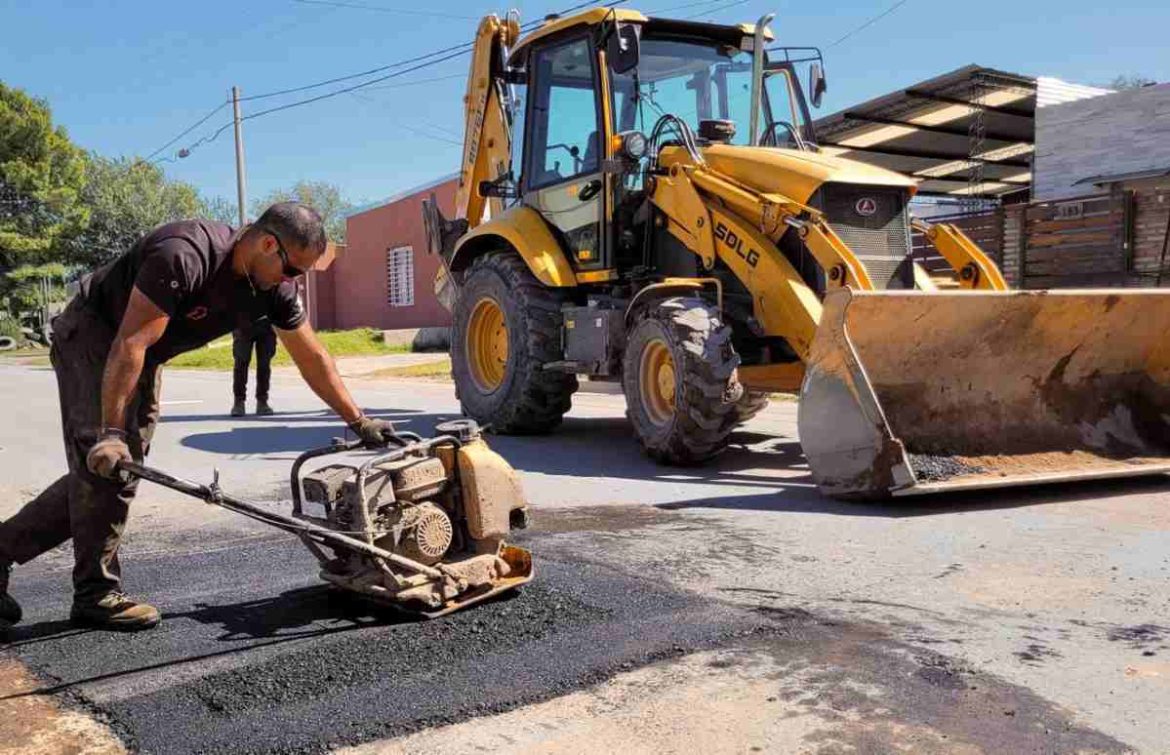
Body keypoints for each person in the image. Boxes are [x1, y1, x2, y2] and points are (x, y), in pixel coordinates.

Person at [0, 202, 394, 632]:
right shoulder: (184, 254)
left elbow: (312, 356)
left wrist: (360, 422)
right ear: (267, 243)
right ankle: (95, 594)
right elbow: (130, 341)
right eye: (293, 271)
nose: (291, 282)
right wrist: (111, 432)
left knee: (114, 472)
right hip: (97, 336)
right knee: (107, 465)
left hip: (144, 355)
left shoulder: (272, 289)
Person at [231, 318, 277, 416]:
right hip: (243, 322)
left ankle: (262, 402)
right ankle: (238, 402)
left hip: (266, 324)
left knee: (264, 365)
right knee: (241, 363)